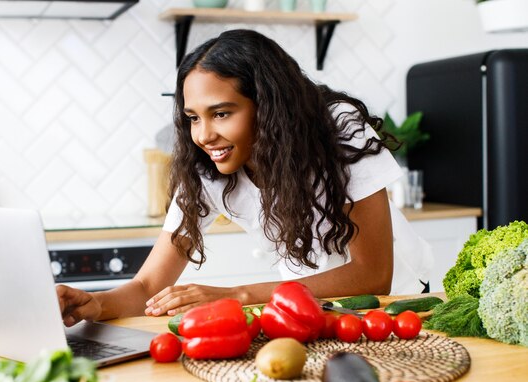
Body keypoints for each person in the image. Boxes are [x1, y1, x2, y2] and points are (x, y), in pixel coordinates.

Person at [57, 29, 433, 326]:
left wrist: (238, 294)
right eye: (193, 117)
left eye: (220, 113)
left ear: (268, 106)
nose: (203, 135)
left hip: (396, 308)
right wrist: (95, 303)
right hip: (303, 309)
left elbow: (373, 274)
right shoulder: (207, 171)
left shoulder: (338, 131)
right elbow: (149, 285)